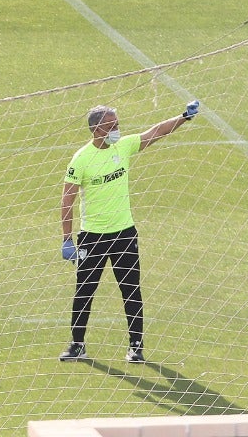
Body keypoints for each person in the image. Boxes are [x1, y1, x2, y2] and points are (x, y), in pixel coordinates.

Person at [57, 99, 200, 364]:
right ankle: (77, 345)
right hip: (92, 236)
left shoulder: (122, 147)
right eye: (111, 126)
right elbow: (67, 199)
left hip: (124, 233)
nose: (116, 130)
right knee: (84, 291)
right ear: (96, 130)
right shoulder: (81, 159)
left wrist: (183, 117)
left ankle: (136, 346)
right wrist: (67, 239)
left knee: (130, 289)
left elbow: (155, 132)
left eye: (117, 125)